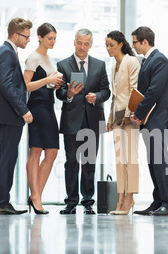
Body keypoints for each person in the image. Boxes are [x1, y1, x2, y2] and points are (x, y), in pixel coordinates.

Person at [0, 17, 33, 215]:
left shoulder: (4, 51)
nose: (28, 40)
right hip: (9, 114)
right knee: (8, 157)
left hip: (5, 113)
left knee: (8, 157)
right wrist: (24, 110)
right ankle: (1, 202)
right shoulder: (6, 53)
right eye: (26, 37)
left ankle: (2, 200)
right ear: (15, 35)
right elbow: (7, 85)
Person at [56, 28, 111, 215]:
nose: (82, 47)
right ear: (74, 42)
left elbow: (107, 91)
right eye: (79, 43)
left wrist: (96, 96)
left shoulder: (99, 65)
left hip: (92, 120)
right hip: (72, 120)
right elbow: (59, 93)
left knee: (89, 162)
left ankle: (88, 202)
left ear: (91, 44)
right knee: (71, 162)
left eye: (86, 43)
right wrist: (69, 94)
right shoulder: (63, 65)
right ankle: (71, 202)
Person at [130, 26, 168, 216]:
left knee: (160, 161)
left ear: (145, 42)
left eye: (135, 42)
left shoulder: (159, 60)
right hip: (149, 119)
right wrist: (136, 112)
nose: (133, 45)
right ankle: (158, 201)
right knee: (153, 161)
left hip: (157, 117)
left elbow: (153, 92)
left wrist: (138, 113)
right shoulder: (147, 61)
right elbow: (143, 92)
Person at [23, 23, 64, 215]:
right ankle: (36, 197)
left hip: (48, 106)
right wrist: (48, 80)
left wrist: (54, 85)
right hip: (38, 107)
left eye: (55, 38)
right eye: (50, 38)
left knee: (52, 152)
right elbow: (27, 86)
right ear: (39, 37)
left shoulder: (48, 58)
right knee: (36, 151)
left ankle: (35, 196)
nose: (53, 41)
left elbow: (44, 83)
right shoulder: (33, 57)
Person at [105, 30, 141, 215]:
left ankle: (130, 197)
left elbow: (135, 91)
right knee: (120, 159)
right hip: (118, 116)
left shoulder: (131, 61)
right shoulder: (114, 67)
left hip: (130, 116)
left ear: (120, 44)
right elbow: (115, 96)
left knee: (131, 159)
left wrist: (129, 114)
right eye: (107, 45)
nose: (108, 48)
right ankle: (120, 198)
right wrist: (111, 119)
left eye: (111, 45)